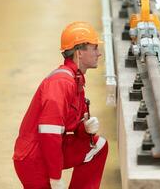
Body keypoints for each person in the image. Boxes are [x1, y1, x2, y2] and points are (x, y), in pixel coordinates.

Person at [13, 21, 108, 189]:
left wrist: (84, 129)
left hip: (47, 149)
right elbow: (49, 133)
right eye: (94, 48)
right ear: (79, 53)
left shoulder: (75, 80)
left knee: (97, 146)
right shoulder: (61, 83)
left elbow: (71, 124)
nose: (98, 54)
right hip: (33, 158)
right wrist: (55, 177)